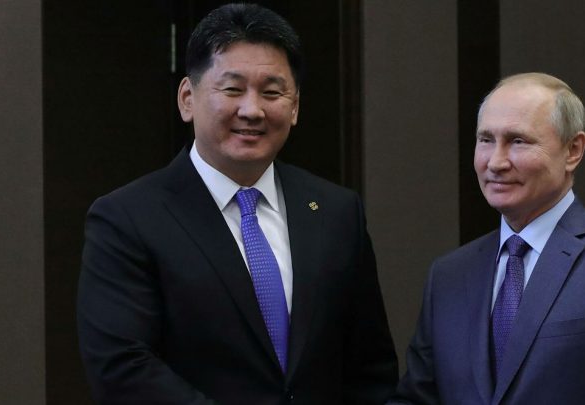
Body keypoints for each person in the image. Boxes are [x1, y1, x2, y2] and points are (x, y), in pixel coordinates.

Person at [77, 3, 397, 404]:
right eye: (232, 89)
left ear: (295, 106)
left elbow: (370, 368)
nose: (252, 110)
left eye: (272, 92)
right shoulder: (127, 218)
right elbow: (122, 368)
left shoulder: (336, 212)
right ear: (187, 98)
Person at [389, 72, 585, 404]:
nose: (496, 162)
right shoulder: (449, 275)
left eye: (518, 141)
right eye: (486, 140)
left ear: (573, 150)